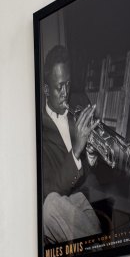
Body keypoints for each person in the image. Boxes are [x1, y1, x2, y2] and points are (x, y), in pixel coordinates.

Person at [40, 45, 100, 243]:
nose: (66, 93)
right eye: (59, 87)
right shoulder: (37, 130)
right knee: (48, 207)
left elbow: (102, 172)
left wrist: (91, 155)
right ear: (46, 89)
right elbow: (50, 189)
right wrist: (76, 150)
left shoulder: (80, 100)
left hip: (85, 200)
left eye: (68, 84)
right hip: (62, 207)